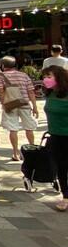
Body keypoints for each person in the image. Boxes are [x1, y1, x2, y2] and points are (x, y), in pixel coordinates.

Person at [0, 56, 38, 161]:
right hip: (24, 104)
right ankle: (32, 150)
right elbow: (31, 91)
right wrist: (34, 107)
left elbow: (0, 91)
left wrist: (4, 103)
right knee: (29, 128)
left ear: (3, 66)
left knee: (13, 129)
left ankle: (15, 153)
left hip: (10, 105)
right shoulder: (23, 75)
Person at [41, 66, 68, 211]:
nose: (46, 79)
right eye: (44, 76)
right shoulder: (50, 93)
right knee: (61, 167)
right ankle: (66, 196)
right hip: (56, 136)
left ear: (59, 77)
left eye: (49, 76)